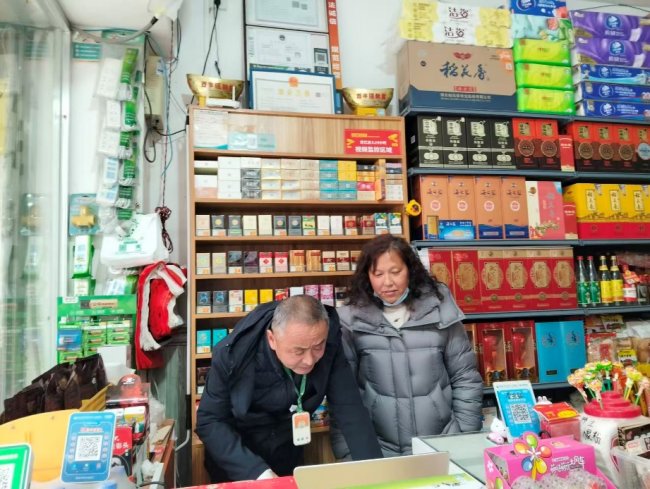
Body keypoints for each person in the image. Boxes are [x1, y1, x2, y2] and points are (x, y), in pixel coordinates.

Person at [196, 294, 382, 482]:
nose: (309, 360)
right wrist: (257, 473)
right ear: (272, 339)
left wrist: (377, 474)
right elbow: (209, 420)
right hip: (237, 460)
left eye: (318, 347)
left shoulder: (329, 343)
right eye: (298, 351)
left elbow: (350, 409)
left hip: (287, 453)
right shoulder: (233, 353)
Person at [333, 234, 483, 458]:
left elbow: (465, 378)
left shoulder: (440, 312)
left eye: (395, 272)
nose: (387, 282)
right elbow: (343, 393)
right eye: (378, 274)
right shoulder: (351, 321)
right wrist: (348, 452)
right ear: (367, 276)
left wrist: (464, 434)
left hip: (442, 443)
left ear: (411, 271)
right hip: (378, 449)